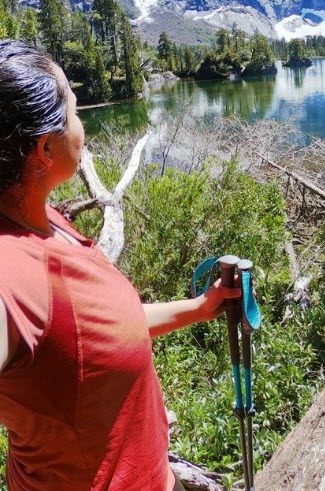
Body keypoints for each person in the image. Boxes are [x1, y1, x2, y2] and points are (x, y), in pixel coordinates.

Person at [0, 40, 238, 490]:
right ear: (44, 149)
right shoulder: (12, 266)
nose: (82, 124)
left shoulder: (40, 215)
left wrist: (200, 308)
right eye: (73, 109)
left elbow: (96, 334)